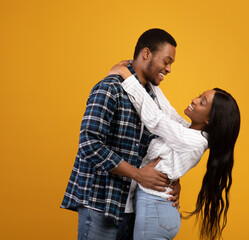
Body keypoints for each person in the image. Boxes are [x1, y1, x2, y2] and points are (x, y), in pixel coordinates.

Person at [61, 28, 182, 240]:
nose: (169, 69)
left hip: (136, 210)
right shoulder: (110, 87)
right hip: (100, 205)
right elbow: (89, 143)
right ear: (146, 54)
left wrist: (172, 181)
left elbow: (160, 147)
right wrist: (138, 174)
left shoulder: (152, 101)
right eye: (166, 61)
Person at [108, 62, 241, 240]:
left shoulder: (194, 141)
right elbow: (166, 110)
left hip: (154, 211)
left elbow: (156, 119)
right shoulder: (189, 132)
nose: (194, 100)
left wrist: (126, 75)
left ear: (210, 120)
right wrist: (144, 74)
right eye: (200, 95)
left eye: (202, 103)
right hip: (156, 209)